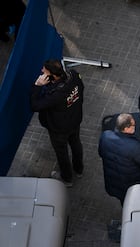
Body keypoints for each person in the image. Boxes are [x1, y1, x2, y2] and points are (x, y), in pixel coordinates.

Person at [30, 59, 84, 187]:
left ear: (52, 75)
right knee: (76, 143)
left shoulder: (55, 95)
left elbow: (35, 105)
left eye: (44, 70)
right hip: (75, 120)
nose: (42, 71)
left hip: (59, 129)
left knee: (62, 153)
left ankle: (67, 178)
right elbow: (81, 89)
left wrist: (37, 86)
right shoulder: (74, 76)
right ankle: (79, 169)